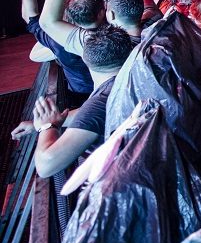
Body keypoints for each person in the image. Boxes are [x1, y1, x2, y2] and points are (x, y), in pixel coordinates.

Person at [14, 25, 134, 178]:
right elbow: (90, 117)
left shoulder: (100, 103)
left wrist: (47, 127)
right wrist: (39, 124)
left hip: (116, 182)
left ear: (84, 57)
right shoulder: (128, 80)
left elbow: (45, 166)